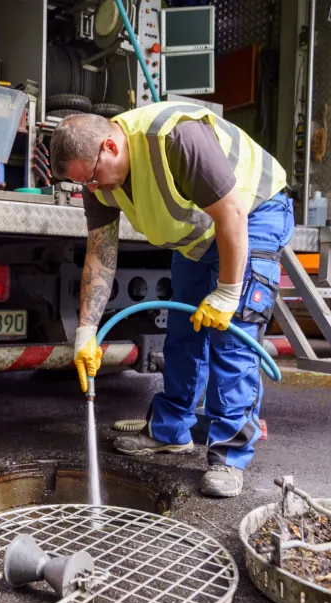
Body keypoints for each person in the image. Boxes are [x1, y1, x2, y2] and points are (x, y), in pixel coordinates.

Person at [49, 101, 294, 498]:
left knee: (229, 337)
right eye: (84, 184)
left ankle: (228, 457)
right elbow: (101, 251)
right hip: (198, 236)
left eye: (92, 177)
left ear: (110, 147)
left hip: (253, 214)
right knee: (182, 334)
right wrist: (87, 331)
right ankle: (171, 431)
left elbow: (231, 212)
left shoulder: (174, 137)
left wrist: (228, 293)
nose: (92, 189)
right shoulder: (95, 180)